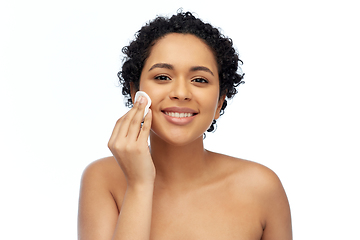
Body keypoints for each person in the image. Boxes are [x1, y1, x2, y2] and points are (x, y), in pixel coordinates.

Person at [78, 11, 292, 240]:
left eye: (199, 80)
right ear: (135, 92)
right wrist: (139, 185)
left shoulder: (262, 188)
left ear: (220, 101)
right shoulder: (103, 180)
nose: (180, 93)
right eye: (162, 77)